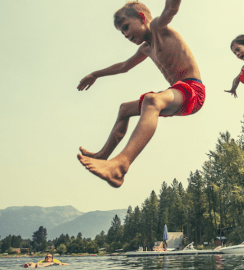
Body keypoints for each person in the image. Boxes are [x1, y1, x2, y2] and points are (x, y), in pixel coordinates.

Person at [77, 0, 205, 188]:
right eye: (122, 32)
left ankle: (120, 166)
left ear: (142, 17)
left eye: (126, 27)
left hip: (192, 91)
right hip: (177, 93)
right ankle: (103, 155)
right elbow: (123, 66)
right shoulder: (146, 48)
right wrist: (95, 74)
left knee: (152, 100)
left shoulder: (158, 28)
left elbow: (171, 9)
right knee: (125, 109)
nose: (126, 34)